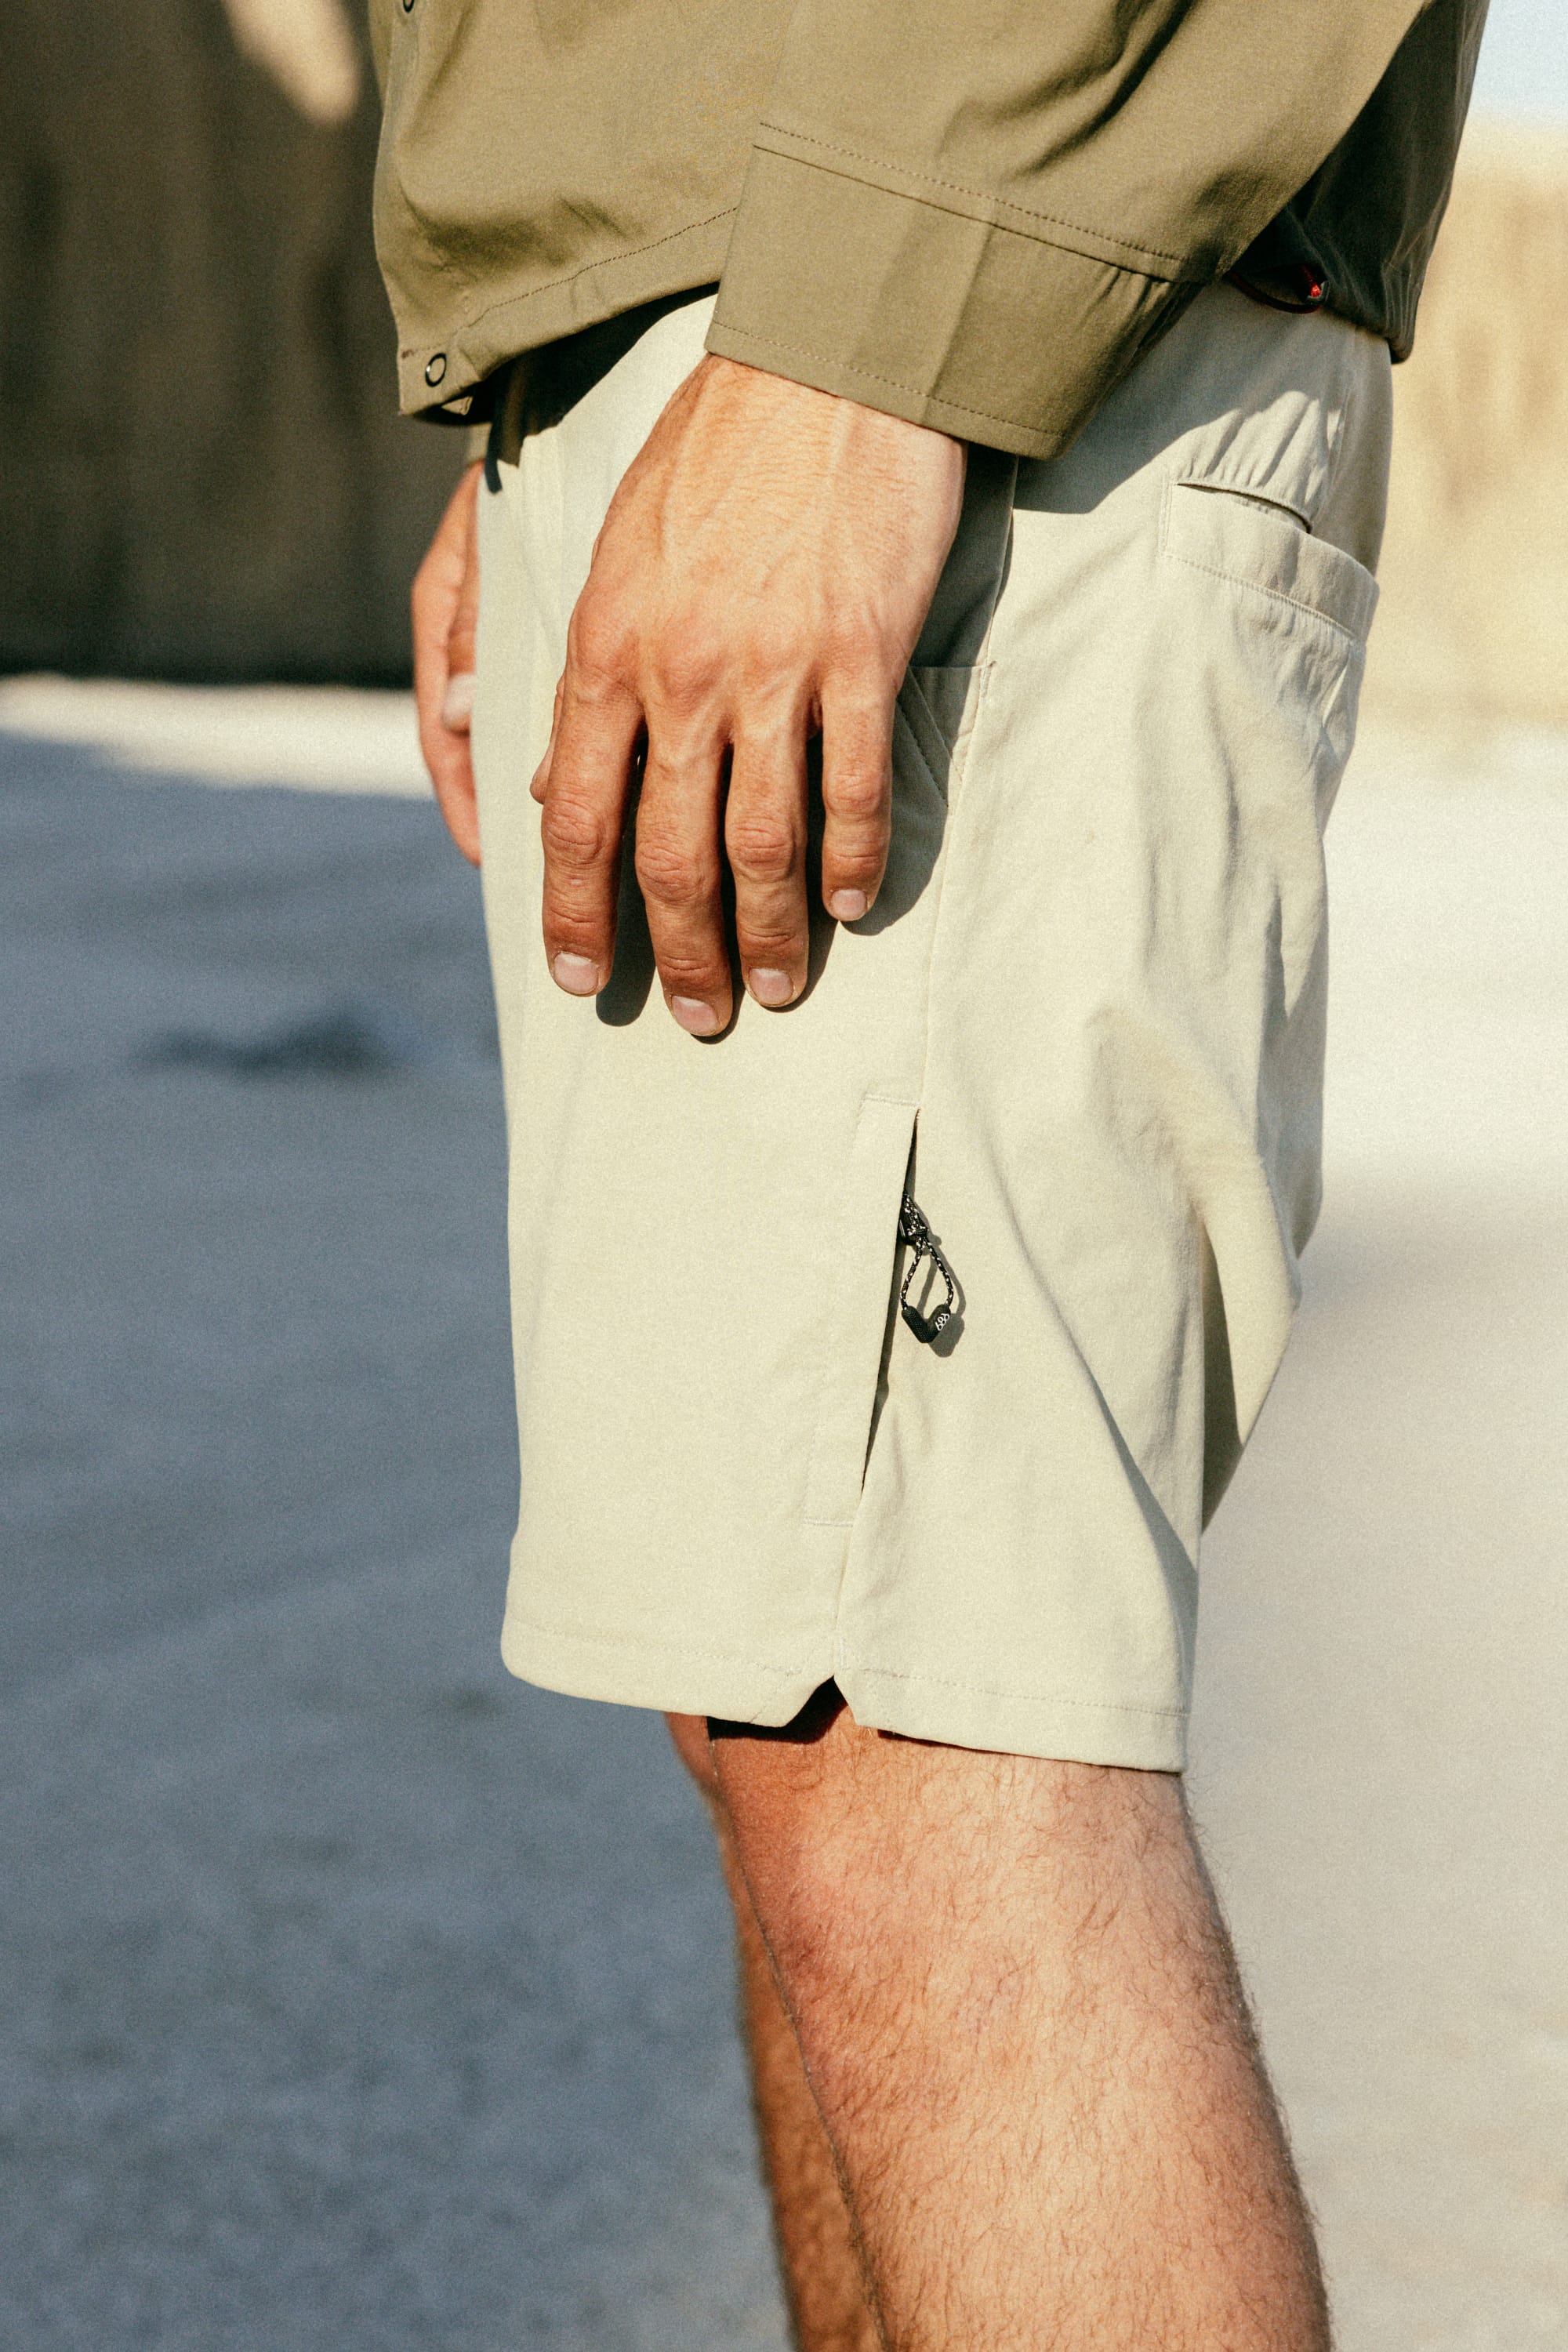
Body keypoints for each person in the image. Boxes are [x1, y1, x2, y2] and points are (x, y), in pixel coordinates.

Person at [372, 2, 1487, 2342]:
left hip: (940, 302)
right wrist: (544, 374)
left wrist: (870, 327)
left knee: (930, 1746)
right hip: (754, 290)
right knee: (788, 1707)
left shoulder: (898, 293)